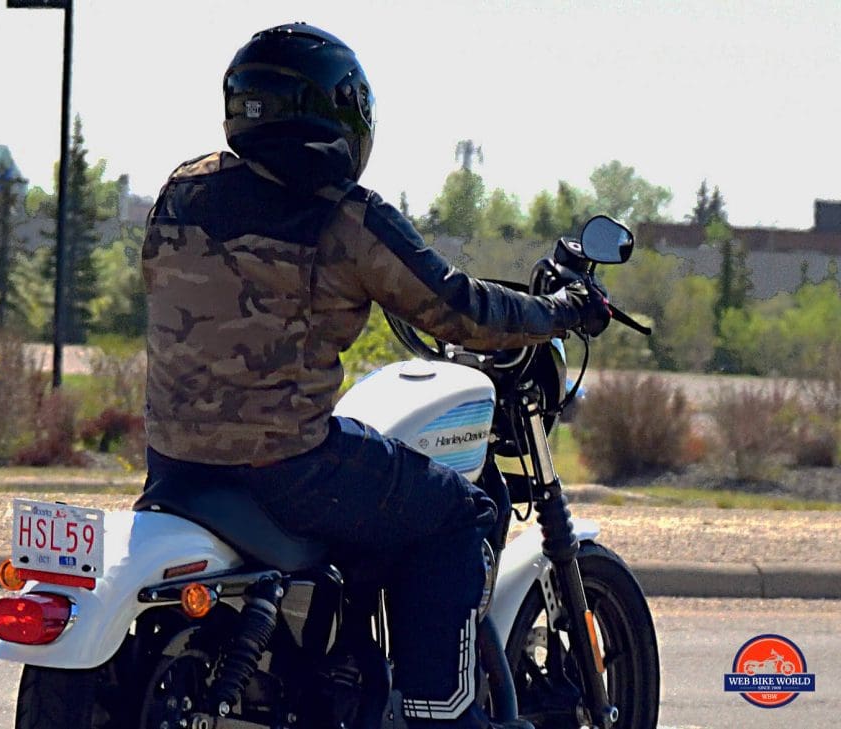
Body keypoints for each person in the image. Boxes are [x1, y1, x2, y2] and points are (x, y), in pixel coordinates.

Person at [135, 22, 610, 729]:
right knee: (457, 512)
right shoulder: (345, 218)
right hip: (289, 466)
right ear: (339, 118)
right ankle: (442, 715)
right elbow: (458, 307)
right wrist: (557, 311)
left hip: (173, 464)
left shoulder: (182, 191)